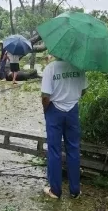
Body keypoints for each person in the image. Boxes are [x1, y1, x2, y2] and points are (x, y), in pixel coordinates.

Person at [41, 55, 88, 199]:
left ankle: (55, 190)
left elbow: (45, 96)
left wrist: (46, 110)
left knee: (54, 150)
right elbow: (84, 90)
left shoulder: (50, 68)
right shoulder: (79, 67)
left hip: (54, 110)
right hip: (72, 110)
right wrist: (71, 97)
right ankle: (75, 191)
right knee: (73, 149)